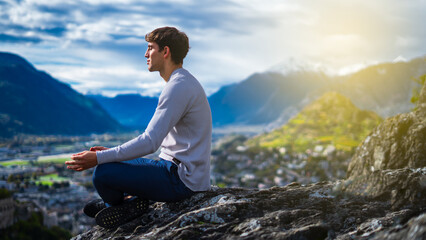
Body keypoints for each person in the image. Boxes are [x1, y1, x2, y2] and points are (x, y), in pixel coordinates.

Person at [65, 26, 212, 229]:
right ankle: (124, 202)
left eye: (150, 48)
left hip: (181, 180)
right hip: (176, 170)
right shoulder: (182, 83)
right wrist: (111, 154)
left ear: (165, 51)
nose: (146, 54)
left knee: (103, 173)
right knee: (112, 164)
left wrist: (99, 158)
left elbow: (150, 142)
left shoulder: (178, 87)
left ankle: (120, 206)